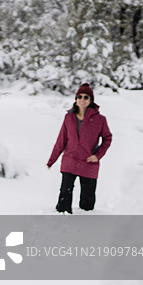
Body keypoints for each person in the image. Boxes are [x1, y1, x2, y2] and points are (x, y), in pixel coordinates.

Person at [47, 83, 112, 214]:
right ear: (76, 99)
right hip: (69, 161)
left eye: (86, 97)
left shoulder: (100, 119)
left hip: (88, 163)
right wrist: (51, 160)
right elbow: (61, 140)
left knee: (87, 205)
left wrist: (97, 155)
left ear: (91, 100)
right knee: (64, 199)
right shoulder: (68, 117)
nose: (82, 99)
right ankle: (61, 225)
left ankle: (84, 227)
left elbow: (107, 138)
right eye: (79, 97)